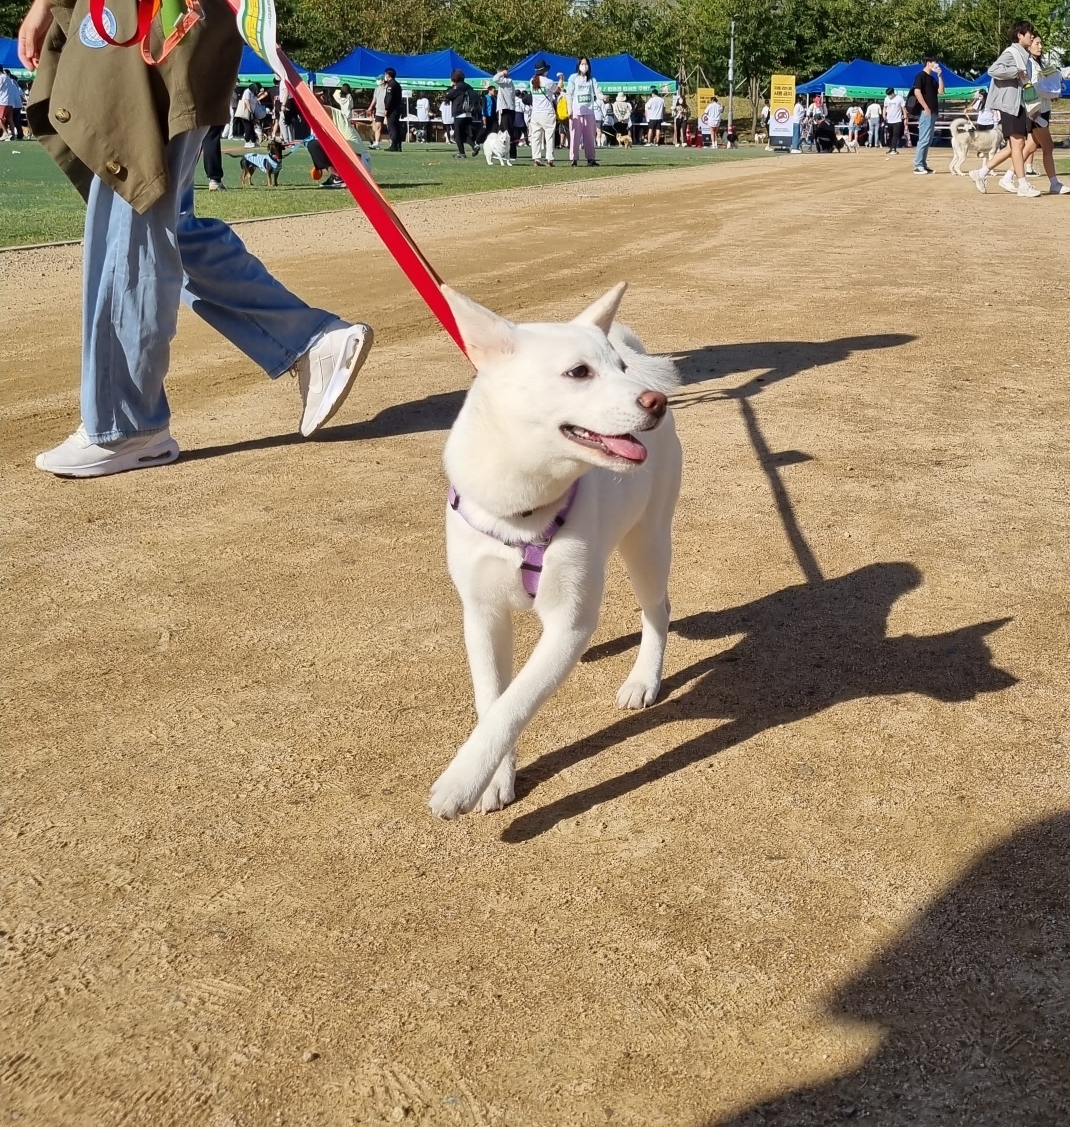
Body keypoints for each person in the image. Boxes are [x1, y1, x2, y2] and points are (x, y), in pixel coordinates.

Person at [17, 0, 375, 477]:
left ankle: (126, 425)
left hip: (155, 26)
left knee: (133, 212)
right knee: (161, 223)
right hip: (162, 28)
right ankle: (310, 340)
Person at [973, 31, 1068, 197]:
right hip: (1034, 109)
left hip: (1038, 108)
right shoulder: (1025, 61)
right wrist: (1049, 92)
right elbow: (1031, 86)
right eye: (1036, 43)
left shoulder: (1038, 63)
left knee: (1023, 146)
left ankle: (991, 174)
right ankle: (1052, 183)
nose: (1040, 46)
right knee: (1043, 146)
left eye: (1040, 43)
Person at [970, 21, 1044, 198]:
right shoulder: (1012, 52)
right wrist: (1016, 72)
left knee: (1014, 146)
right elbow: (993, 70)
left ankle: (980, 173)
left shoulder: (1023, 54)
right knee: (1018, 144)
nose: (1032, 36)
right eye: (1029, 34)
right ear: (1020, 35)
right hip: (1010, 105)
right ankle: (1022, 184)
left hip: (1018, 104)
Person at [910, 57, 944, 174]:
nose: (937, 66)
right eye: (935, 63)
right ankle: (918, 165)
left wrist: (940, 76)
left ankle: (923, 164)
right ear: (929, 63)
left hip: (933, 112)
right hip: (926, 112)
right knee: (924, 139)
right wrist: (925, 107)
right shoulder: (921, 76)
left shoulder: (932, 78)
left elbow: (941, 91)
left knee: (928, 139)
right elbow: (917, 92)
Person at [566, 58, 601, 166]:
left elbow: (597, 91)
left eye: (586, 64)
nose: (584, 66)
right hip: (576, 112)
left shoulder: (591, 79)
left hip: (589, 112)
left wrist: (602, 96)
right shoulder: (573, 78)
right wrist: (569, 109)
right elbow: (569, 94)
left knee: (590, 137)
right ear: (578, 65)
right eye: (582, 64)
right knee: (575, 136)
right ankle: (574, 159)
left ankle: (591, 158)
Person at [528, 61, 561, 167]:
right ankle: (549, 160)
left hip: (535, 113)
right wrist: (561, 79)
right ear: (545, 71)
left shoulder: (532, 81)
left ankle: (536, 159)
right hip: (547, 112)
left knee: (536, 137)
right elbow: (558, 90)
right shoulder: (548, 82)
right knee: (549, 137)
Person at [444, 70, 477, 158]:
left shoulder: (457, 87)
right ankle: (474, 146)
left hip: (459, 113)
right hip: (469, 113)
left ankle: (461, 153)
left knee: (457, 135)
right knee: (463, 133)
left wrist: (450, 87)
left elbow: (448, 95)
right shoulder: (468, 86)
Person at [493, 67, 518, 159]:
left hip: (508, 109)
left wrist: (502, 73)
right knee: (502, 131)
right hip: (505, 109)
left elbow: (495, 78)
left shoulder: (507, 81)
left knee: (508, 132)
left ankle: (512, 154)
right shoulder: (504, 83)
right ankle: (503, 153)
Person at [382, 67, 403, 152]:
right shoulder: (396, 84)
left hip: (392, 110)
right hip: (396, 109)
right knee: (396, 127)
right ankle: (398, 145)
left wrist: (386, 109)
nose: (385, 76)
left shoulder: (391, 85)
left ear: (388, 75)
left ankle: (394, 145)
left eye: (385, 74)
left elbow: (389, 98)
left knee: (392, 127)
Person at [883, 86, 905, 155]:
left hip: (897, 120)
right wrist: (884, 115)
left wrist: (905, 116)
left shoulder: (900, 98)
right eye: (888, 95)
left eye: (890, 94)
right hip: (889, 120)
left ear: (893, 93)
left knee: (895, 134)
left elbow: (903, 107)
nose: (889, 96)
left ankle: (893, 149)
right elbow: (885, 107)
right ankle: (890, 148)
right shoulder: (886, 98)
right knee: (890, 135)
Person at [370, 76, 387, 148]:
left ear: (383, 80)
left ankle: (393, 142)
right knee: (377, 127)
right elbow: (374, 99)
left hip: (387, 111)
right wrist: (370, 107)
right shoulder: (377, 89)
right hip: (379, 111)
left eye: (379, 79)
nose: (377, 81)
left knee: (390, 127)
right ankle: (377, 143)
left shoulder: (388, 88)